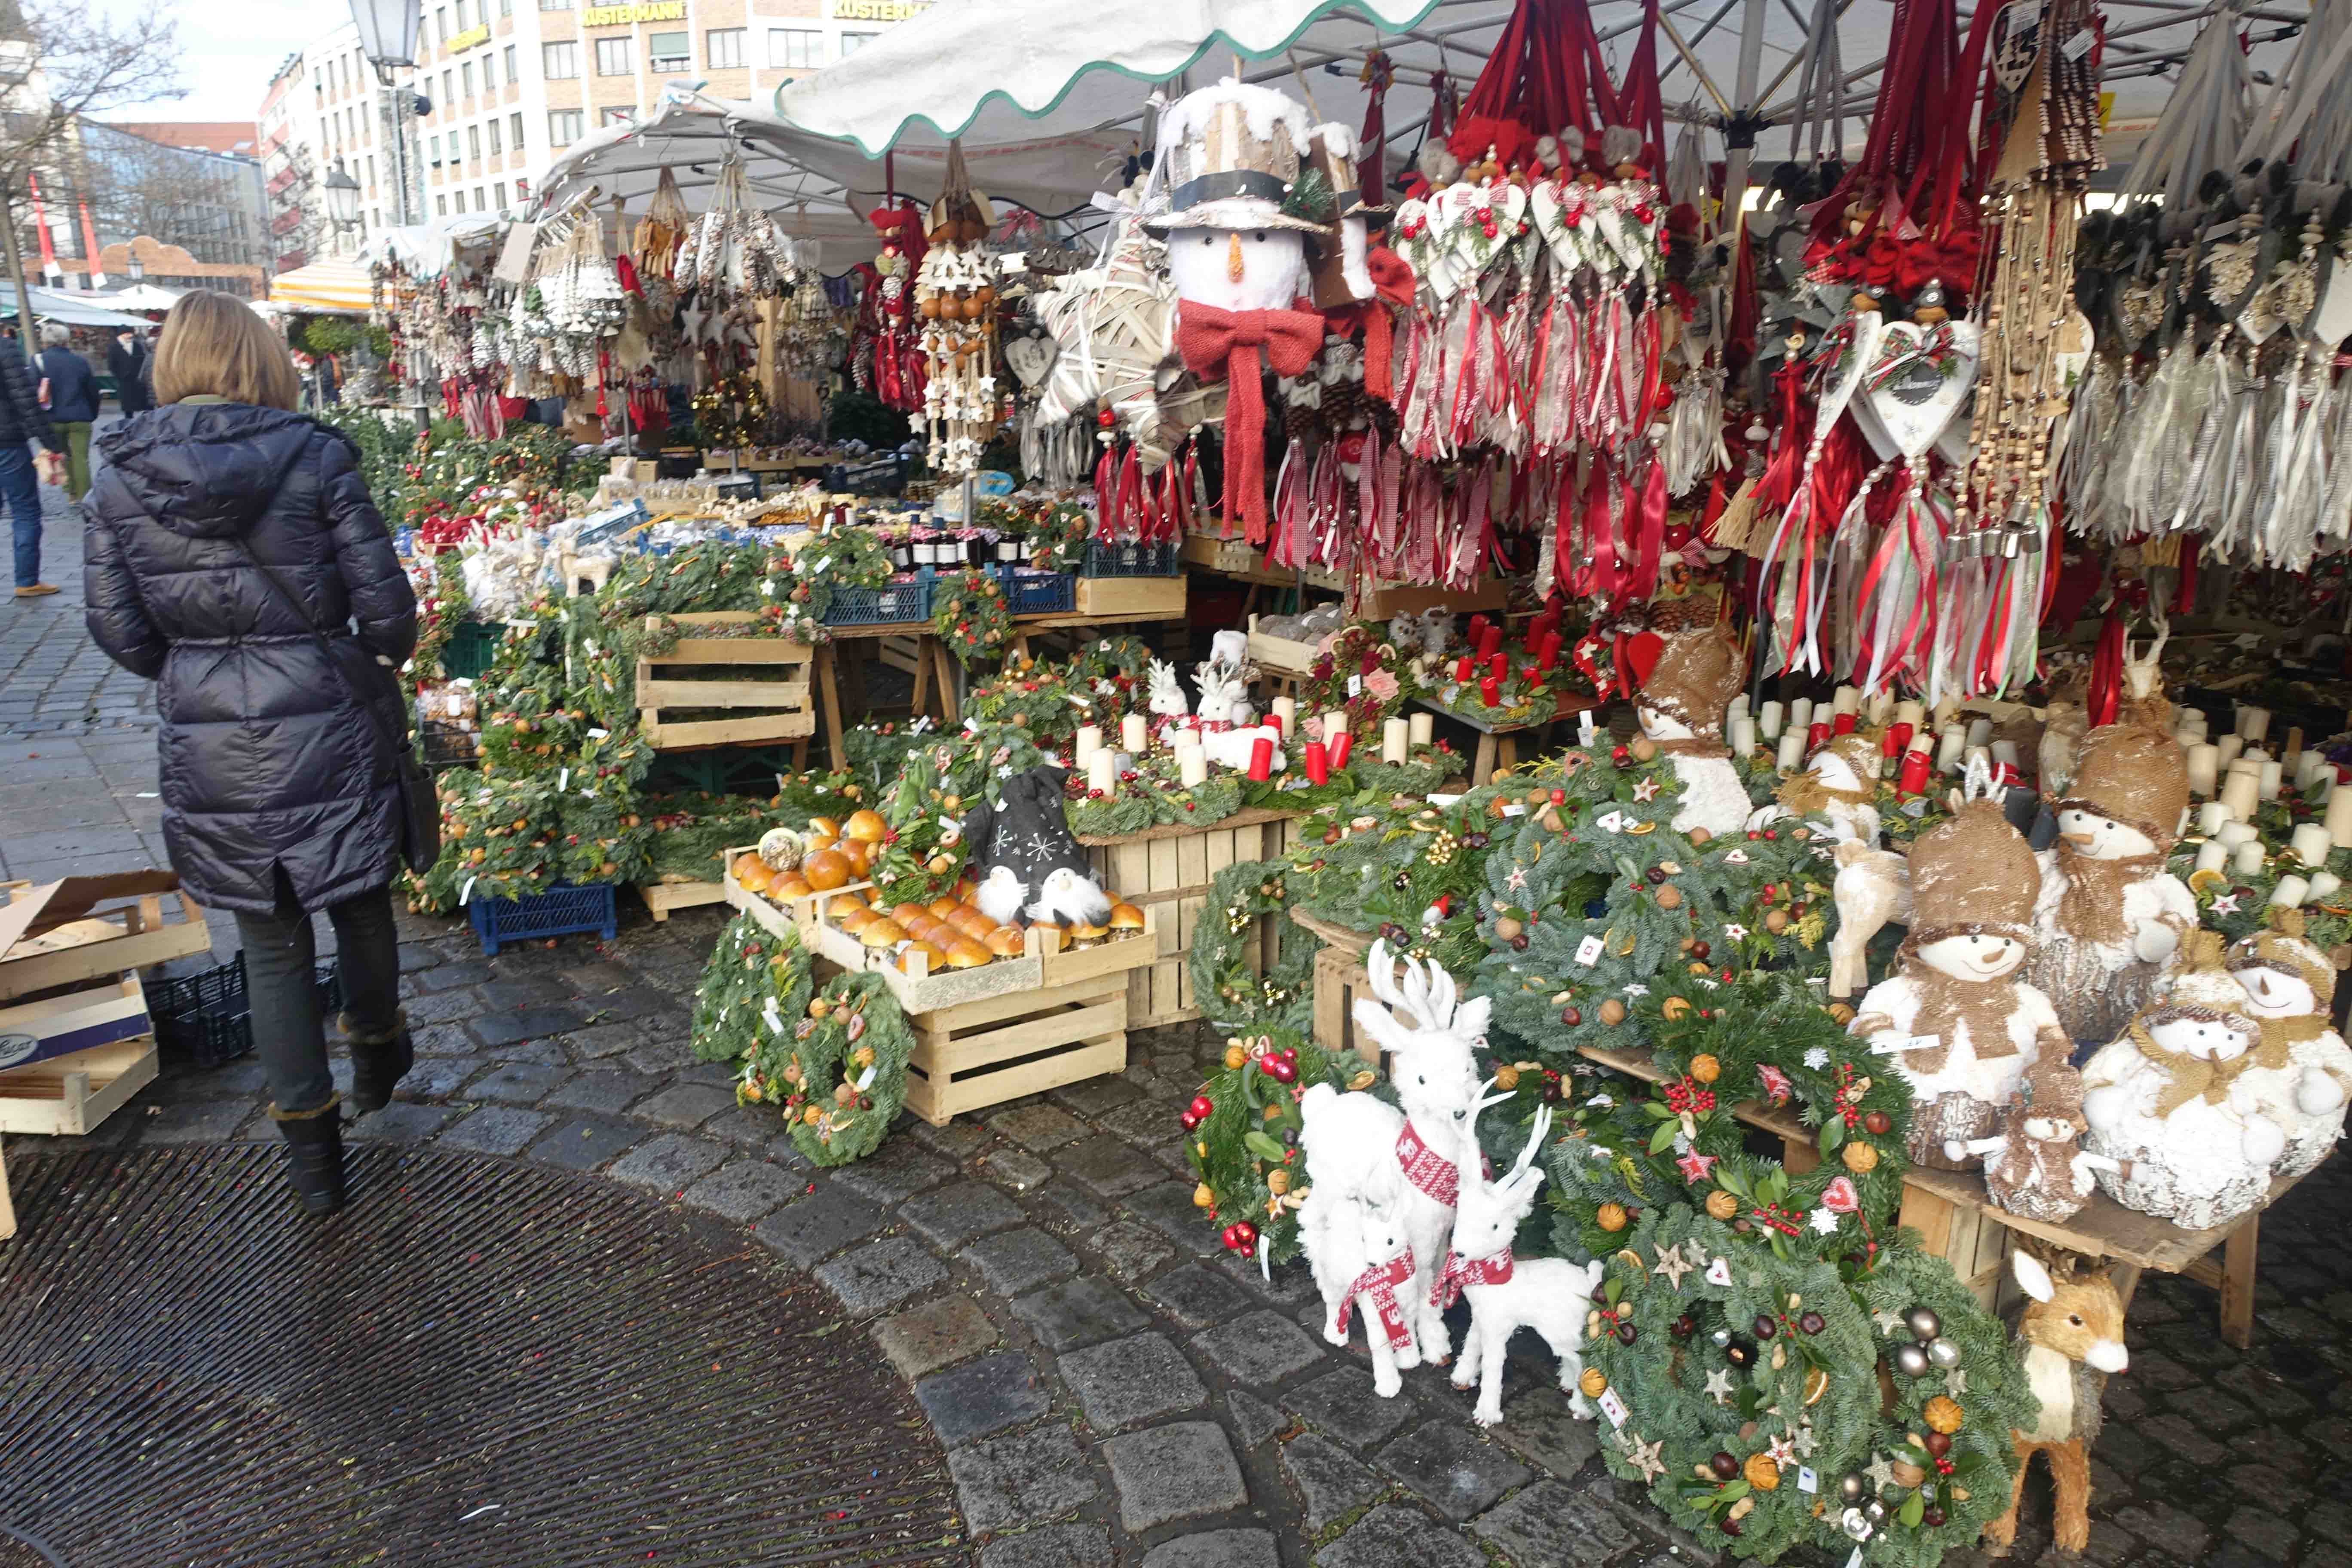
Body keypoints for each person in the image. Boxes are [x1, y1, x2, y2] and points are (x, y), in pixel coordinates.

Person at [82, 289, 419, 1216]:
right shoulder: (315, 453)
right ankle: (377, 1053)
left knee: (270, 943)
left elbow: (118, 627)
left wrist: (194, 667)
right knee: (359, 897)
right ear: (263, 360)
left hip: (211, 736)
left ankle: (314, 1163)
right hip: (328, 715)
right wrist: (364, 653)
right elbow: (386, 605)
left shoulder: (119, 474)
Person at [0, 322, 64, 597]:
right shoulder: (5, 349)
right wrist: (51, 443)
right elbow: (26, 401)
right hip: (7, 443)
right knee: (25, 510)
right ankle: (27, 581)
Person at [36, 322, 99, 503]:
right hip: (80, 416)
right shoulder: (80, 361)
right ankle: (85, 496)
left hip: (53, 417)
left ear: (45, 340)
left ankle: (71, 492)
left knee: (63, 456)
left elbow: (33, 391)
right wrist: (92, 413)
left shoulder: (38, 361)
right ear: (66, 340)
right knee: (81, 459)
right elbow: (92, 391)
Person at [107, 325, 152, 415]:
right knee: (128, 404)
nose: (130, 336)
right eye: (127, 334)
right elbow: (112, 365)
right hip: (125, 381)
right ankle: (128, 418)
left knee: (142, 404)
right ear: (121, 335)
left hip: (138, 380)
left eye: (130, 334)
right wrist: (120, 376)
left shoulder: (137, 346)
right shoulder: (114, 347)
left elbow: (143, 361)